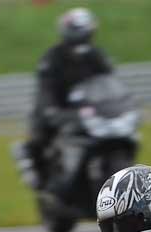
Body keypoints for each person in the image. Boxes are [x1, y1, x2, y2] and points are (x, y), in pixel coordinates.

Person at [20, 8, 113, 189]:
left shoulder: (96, 55)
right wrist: (51, 110)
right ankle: (33, 165)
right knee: (40, 134)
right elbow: (46, 89)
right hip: (60, 110)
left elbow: (109, 82)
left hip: (91, 112)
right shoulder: (53, 57)